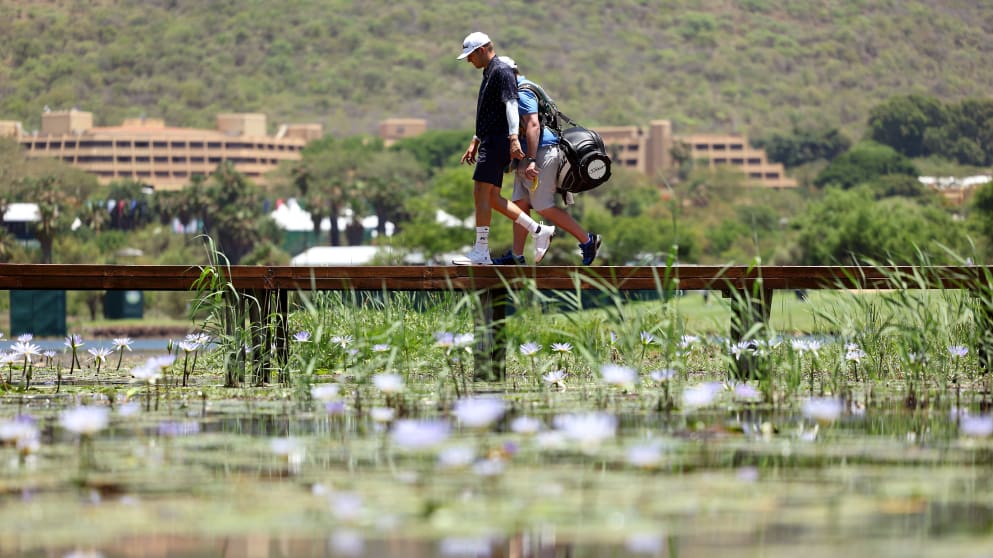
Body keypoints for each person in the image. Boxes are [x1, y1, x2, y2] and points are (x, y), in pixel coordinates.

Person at [453, 32, 555, 266]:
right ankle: (539, 231)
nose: (469, 61)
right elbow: (487, 111)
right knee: (492, 197)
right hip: (490, 139)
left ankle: (481, 252)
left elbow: (511, 105)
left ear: (481, 50)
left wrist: (512, 138)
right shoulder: (489, 72)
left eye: (470, 56)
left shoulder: (501, 71)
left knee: (481, 192)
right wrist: (475, 139)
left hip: (498, 141)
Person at [491, 56, 601, 266]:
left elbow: (533, 125)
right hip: (531, 153)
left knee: (543, 206)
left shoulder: (522, 93)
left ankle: (588, 240)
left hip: (540, 152)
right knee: (521, 204)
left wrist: (531, 160)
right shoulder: (527, 86)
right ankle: (516, 255)